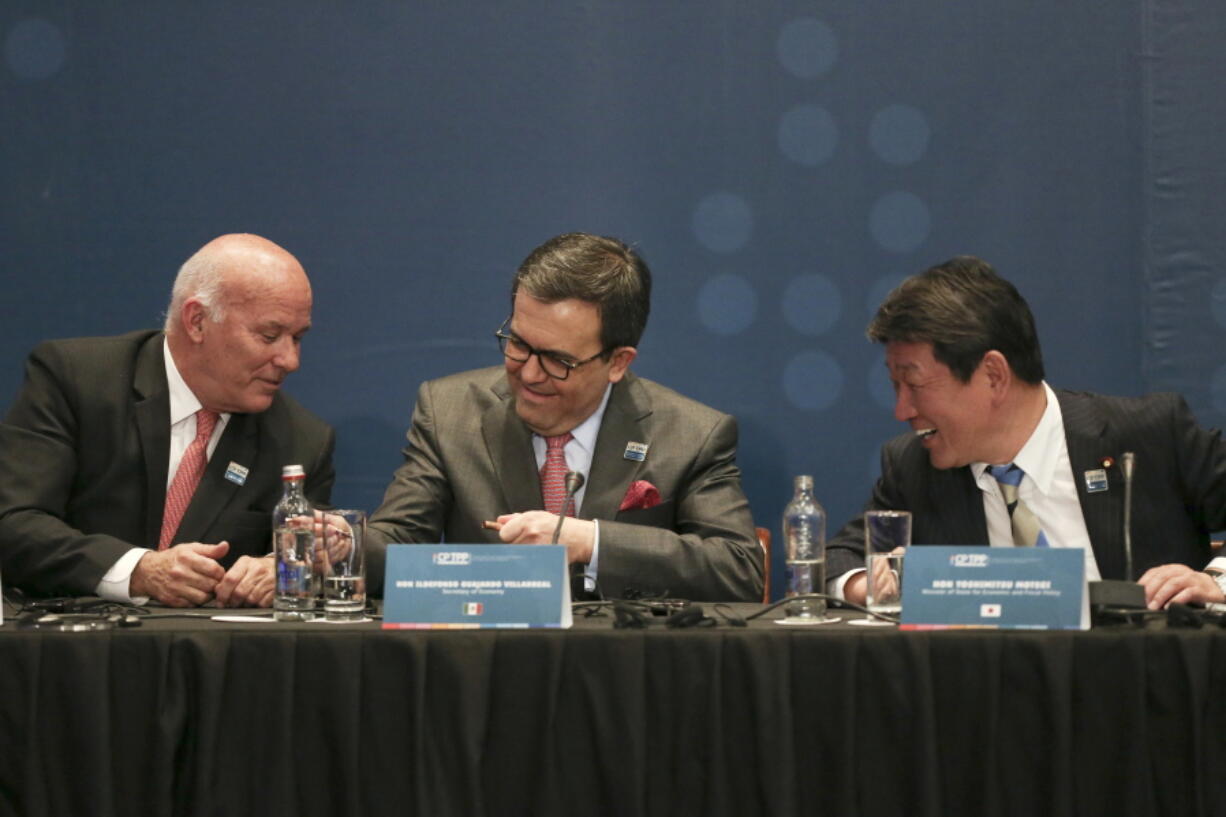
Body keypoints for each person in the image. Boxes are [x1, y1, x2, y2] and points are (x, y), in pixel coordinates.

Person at [365, 232, 762, 601]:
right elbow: (396, 543)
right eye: (518, 343)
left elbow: (738, 569)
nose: (529, 373)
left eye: (559, 360)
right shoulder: (449, 411)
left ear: (618, 362)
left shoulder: (691, 434)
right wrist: (345, 546)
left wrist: (591, 541)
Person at [827, 256, 1226, 610]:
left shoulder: (1147, 435)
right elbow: (839, 558)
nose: (902, 411)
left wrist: (1216, 582)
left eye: (914, 385)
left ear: (993, 375)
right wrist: (870, 585)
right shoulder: (914, 467)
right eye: (895, 386)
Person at [0, 234, 335, 608]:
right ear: (197, 321)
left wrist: (283, 570)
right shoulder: (77, 381)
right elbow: (15, 523)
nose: (290, 360)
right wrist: (138, 570)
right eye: (270, 335)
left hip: (210, 658)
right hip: (69, 647)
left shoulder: (303, 442)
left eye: (298, 338)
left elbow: (304, 560)